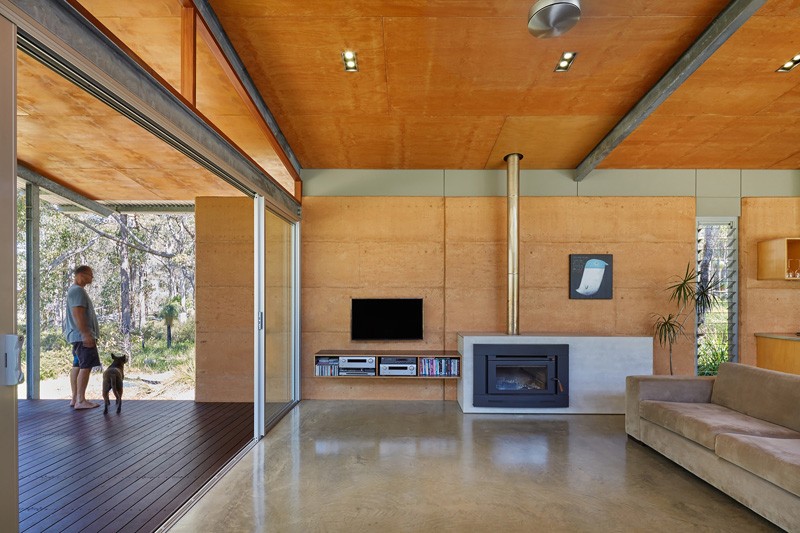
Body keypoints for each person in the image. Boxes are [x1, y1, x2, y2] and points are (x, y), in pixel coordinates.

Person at [64, 265, 101, 409]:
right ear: (81, 275)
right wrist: (86, 334)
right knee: (86, 366)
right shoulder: (78, 291)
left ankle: (75, 398)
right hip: (82, 337)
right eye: (90, 275)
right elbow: (78, 313)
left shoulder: (75, 291)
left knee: (78, 365)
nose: (92, 278)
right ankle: (81, 400)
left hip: (77, 337)